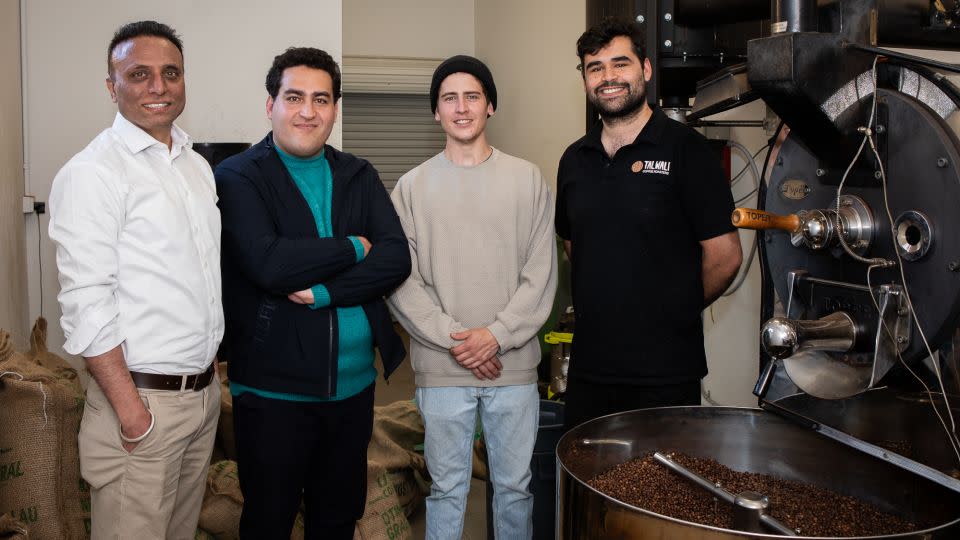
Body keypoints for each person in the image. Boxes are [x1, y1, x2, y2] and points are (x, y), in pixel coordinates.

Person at [214, 47, 411, 539]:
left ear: (335, 109)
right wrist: (351, 246)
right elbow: (269, 263)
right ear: (270, 105)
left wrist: (323, 291)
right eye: (294, 97)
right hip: (272, 393)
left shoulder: (358, 174)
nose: (308, 111)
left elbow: (396, 257)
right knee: (269, 520)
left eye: (321, 99)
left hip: (355, 389)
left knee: (338, 519)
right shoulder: (240, 175)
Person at [48, 20, 223, 539]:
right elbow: (86, 300)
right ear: (112, 85)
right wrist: (131, 412)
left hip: (201, 399)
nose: (158, 86)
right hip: (143, 406)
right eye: (139, 74)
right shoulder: (94, 173)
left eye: (170, 73)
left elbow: (198, 276)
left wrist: (210, 369)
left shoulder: (194, 165)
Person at [387, 55, 558, 540]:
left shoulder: (528, 181)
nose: (461, 108)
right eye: (449, 98)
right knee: (446, 489)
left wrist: (496, 338)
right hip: (443, 372)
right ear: (435, 112)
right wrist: (461, 341)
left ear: (491, 107)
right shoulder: (411, 188)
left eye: (472, 96)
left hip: (514, 369)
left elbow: (540, 274)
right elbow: (403, 281)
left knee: (514, 488)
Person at [556, 18, 743, 431]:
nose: (608, 78)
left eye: (619, 64)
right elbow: (575, 247)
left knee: (662, 493)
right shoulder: (573, 160)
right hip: (590, 372)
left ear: (645, 69)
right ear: (585, 79)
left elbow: (725, 256)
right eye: (595, 67)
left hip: (666, 374)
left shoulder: (687, 150)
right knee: (591, 489)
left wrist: (673, 311)